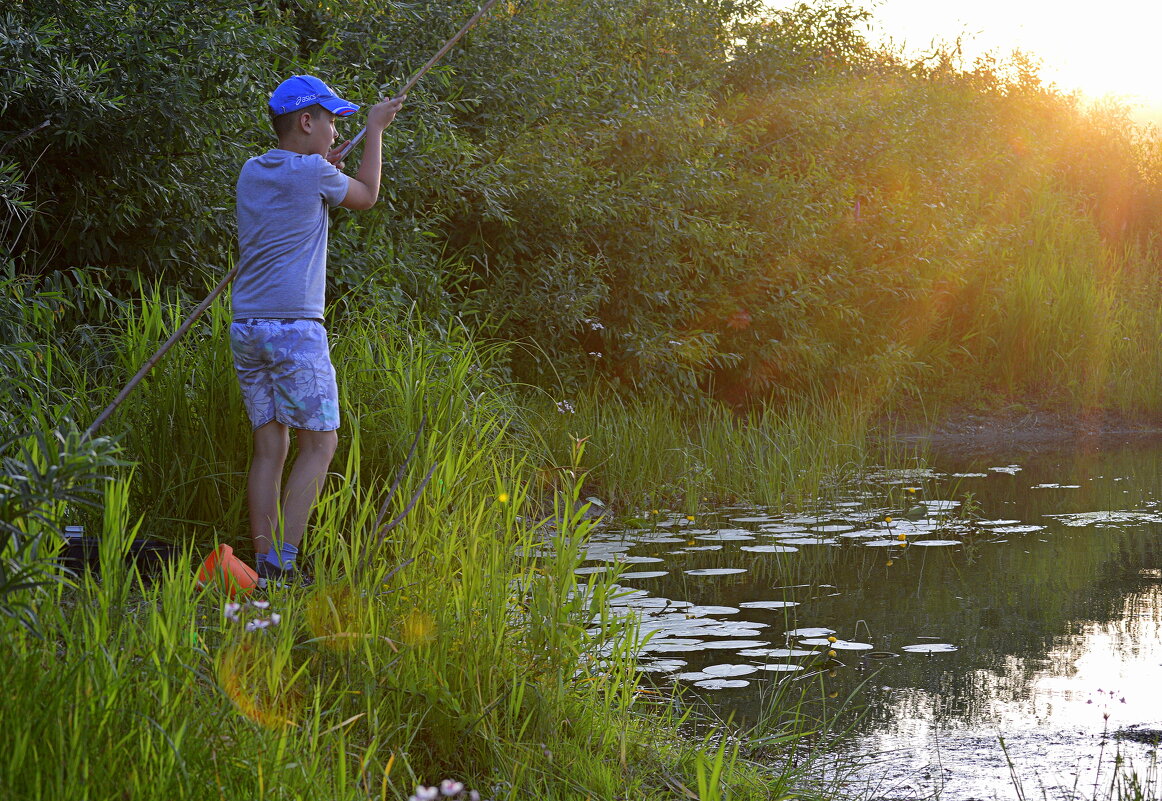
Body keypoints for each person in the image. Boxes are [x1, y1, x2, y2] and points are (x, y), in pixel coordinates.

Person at [230, 74, 404, 586]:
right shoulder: (312, 174)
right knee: (320, 446)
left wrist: (320, 167)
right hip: (294, 331)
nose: (334, 131)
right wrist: (374, 130)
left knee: (270, 449)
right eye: (330, 121)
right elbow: (367, 195)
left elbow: (296, 187)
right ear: (306, 121)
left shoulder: (253, 171)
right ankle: (284, 566)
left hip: (248, 328)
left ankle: (263, 567)